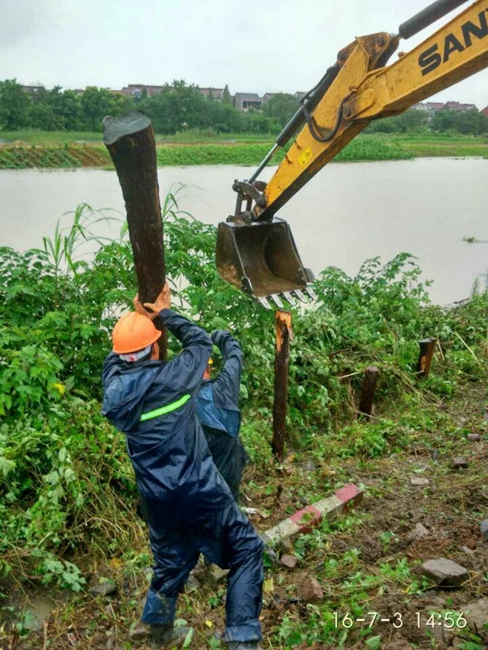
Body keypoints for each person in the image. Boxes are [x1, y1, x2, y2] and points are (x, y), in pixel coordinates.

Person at [101, 283, 263, 650]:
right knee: (247, 550)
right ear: (156, 347)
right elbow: (200, 342)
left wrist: (139, 322)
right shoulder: (175, 379)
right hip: (199, 489)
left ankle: (158, 631)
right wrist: (163, 315)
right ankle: (242, 639)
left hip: (155, 500)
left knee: (171, 562)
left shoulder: (113, 391)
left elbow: (115, 359)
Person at [196, 330, 248, 502]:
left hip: (197, 481)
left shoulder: (178, 402)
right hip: (229, 473)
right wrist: (219, 336)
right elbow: (235, 356)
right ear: (209, 367)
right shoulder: (223, 390)